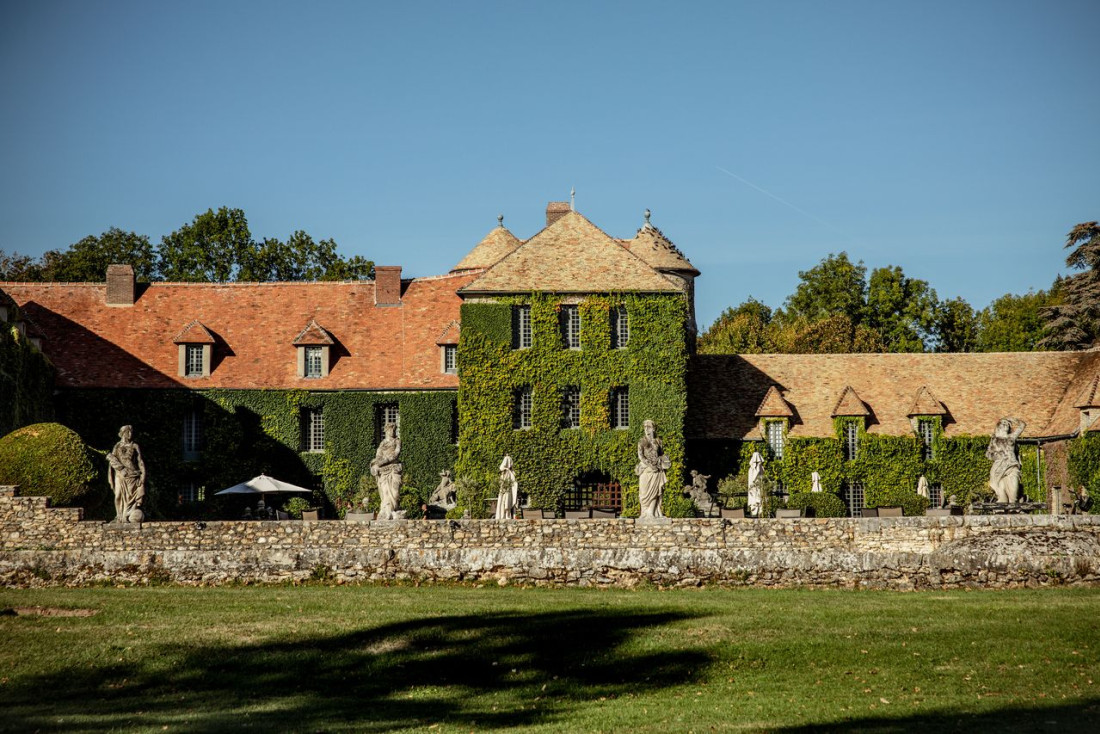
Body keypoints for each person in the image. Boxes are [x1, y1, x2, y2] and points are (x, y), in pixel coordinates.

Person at [107, 425, 146, 523]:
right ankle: (119, 516)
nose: (130, 434)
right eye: (128, 432)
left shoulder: (135, 446)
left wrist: (143, 475)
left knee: (129, 498)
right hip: (120, 474)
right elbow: (112, 460)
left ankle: (126, 516)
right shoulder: (117, 446)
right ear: (123, 433)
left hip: (132, 475)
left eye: (131, 432)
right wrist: (120, 468)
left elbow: (140, 461)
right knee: (118, 495)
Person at [986, 417, 1026, 503]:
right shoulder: (994, 440)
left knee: (1014, 491)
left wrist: (1012, 419)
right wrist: (998, 455)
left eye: (1007, 424)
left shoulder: (1011, 437)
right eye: (1003, 423)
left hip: (1012, 465)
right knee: (1002, 493)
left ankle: (1014, 509)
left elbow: (1022, 425)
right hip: (999, 468)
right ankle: (1002, 509)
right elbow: (989, 454)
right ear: (999, 426)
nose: (1005, 425)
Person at [635, 420, 670, 518]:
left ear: (653, 428)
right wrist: (649, 464)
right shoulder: (642, 441)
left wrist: (661, 462)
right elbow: (640, 456)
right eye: (645, 427)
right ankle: (644, 513)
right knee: (644, 491)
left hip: (656, 470)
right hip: (646, 469)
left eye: (649, 427)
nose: (646, 429)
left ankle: (651, 512)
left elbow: (661, 454)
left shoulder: (658, 441)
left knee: (655, 491)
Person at [371, 423, 403, 519]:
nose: (392, 432)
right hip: (384, 472)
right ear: (386, 431)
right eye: (390, 430)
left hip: (394, 469)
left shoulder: (397, 441)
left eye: (393, 430)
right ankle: (387, 511)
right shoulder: (383, 443)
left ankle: (394, 509)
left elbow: (396, 454)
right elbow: (378, 455)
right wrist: (376, 464)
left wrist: (381, 462)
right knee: (385, 493)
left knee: (395, 492)